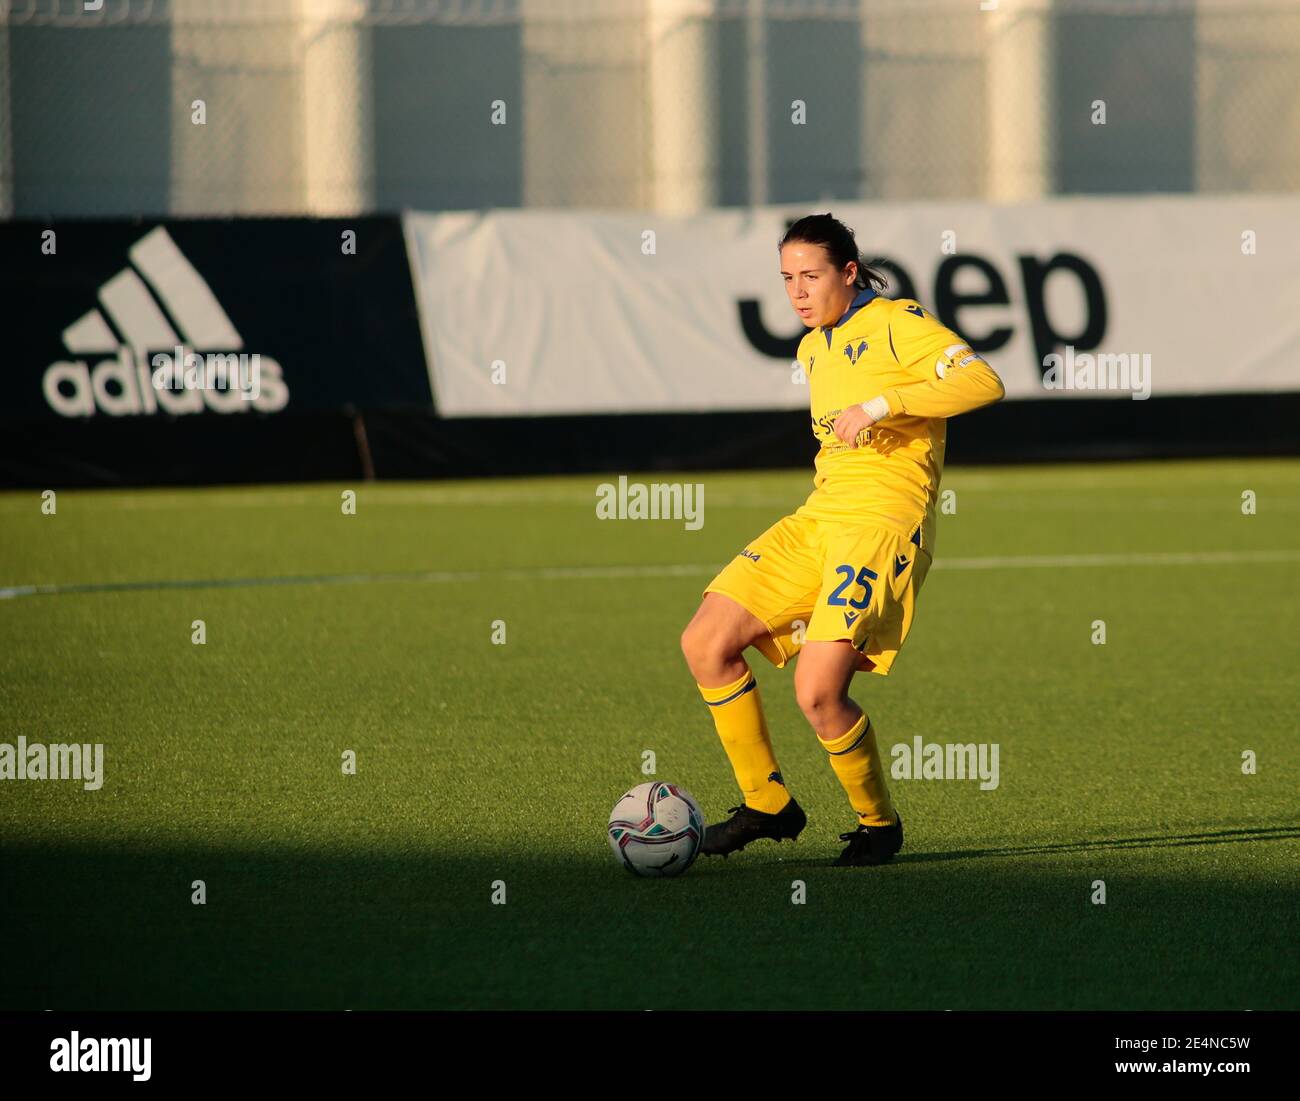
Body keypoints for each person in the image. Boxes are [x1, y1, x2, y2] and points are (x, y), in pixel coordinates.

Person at [679, 212, 1005, 866]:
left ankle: (878, 825)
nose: (797, 291)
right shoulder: (813, 345)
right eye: (786, 278)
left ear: (848, 272)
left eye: (811, 275)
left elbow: (984, 382)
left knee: (817, 692)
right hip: (822, 517)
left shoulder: (895, 321)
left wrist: (883, 405)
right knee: (705, 641)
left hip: (883, 524)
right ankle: (767, 802)